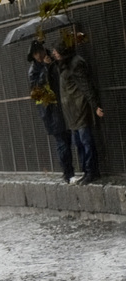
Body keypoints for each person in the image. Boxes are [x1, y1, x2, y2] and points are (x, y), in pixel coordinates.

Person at [52, 41, 104, 185]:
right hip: (72, 112)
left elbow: (86, 86)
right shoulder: (64, 64)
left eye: (56, 52)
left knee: (85, 142)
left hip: (79, 109)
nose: (54, 54)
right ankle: (87, 171)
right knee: (79, 143)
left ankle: (90, 171)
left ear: (62, 52)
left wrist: (95, 105)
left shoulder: (75, 64)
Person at [27, 40, 74, 183]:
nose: (39, 55)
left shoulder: (53, 59)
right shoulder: (34, 70)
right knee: (61, 141)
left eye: (40, 51)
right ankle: (68, 173)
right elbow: (36, 90)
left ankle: (71, 172)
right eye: (36, 53)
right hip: (50, 110)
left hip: (63, 104)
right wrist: (46, 68)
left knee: (70, 138)